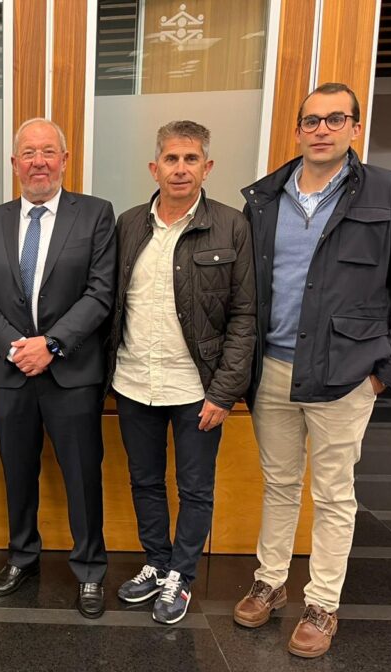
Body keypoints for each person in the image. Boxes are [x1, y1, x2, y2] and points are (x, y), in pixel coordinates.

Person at [233, 83, 391, 657]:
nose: (321, 130)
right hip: (273, 369)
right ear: (297, 129)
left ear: (355, 127)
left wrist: (385, 370)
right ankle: (270, 581)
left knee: (332, 494)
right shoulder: (265, 197)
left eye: (334, 119)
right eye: (311, 120)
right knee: (278, 484)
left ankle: (322, 603)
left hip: (346, 374)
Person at [0, 119, 116, 618]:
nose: (38, 162)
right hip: (11, 373)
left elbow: (101, 292)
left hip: (72, 372)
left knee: (82, 474)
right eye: (28, 153)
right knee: (17, 471)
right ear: (14, 164)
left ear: (64, 160)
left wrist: (51, 344)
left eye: (48, 152)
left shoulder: (94, 215)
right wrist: (16, 347)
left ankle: (90, 569)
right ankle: (22, 556)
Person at [108, 121, 255, 624]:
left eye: (191, 159)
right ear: (155, 168)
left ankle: (181, 575)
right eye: (171, 159)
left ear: (207, 167)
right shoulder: (129, 224)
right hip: (134, 382)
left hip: (197, 388)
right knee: (145, 480)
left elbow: (244, 316)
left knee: (195, 488)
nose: (180, 168)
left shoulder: (231, 226)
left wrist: (225, 391)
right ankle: (156, 562)